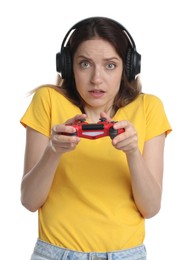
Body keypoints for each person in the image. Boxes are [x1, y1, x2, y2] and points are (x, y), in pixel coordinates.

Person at [20, 16, 172, 260]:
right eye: (85, 64)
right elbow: (29, 201)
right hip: (55, 254)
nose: (96, 79)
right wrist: (53, 151)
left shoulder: (148, 108)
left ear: (129, 67)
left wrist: (133, 152)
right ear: (68, 67)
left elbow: (151, 208)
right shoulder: (47, 100)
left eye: (110, 65)